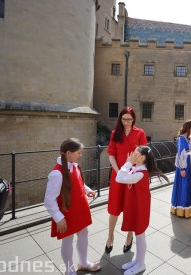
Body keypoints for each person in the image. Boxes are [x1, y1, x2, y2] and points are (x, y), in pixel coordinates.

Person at [44, 138, 101, 275]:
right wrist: (58, 218)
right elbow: (48, 200)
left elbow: (79, 183)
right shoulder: (57, 173)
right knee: (67, 240)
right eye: (78, 153)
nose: (80, 156)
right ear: (68, 152)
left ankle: (83, 262)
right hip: (67, 213)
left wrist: (87, 190)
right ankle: (69, 270)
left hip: (79, 209)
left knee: (83, 234)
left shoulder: (73, 165)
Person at [116, 146, 168, 275]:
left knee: (140, 236)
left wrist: (128, 162)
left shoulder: (140, 174)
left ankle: (141, 263)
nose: (133, 154)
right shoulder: (136, 170)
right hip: (136, 206)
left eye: (137, 153)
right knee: (139, 235)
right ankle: (138, 260)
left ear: (143, 158)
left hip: (139, 208)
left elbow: (119, 178)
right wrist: (129, 163)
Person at [106, 107, 147, 254]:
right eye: (124, 119)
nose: (126, 122)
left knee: (130, 207)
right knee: (114, 208)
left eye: (129, 119)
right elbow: (111, 154)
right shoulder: (115, 133)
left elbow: (144, 154)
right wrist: (119, 173)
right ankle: (110, 236)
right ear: (120, 119)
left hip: (133, 176)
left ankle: (129, 237)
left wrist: (132, 174)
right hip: (119, 175)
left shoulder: (140, 133)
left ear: (134, 119)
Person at [170, 120, 191, 218]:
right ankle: (183, 210)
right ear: (189, 127)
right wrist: (182, 169)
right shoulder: (181, 139)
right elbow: (181, 154)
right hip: (185, 165)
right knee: (185, 185)